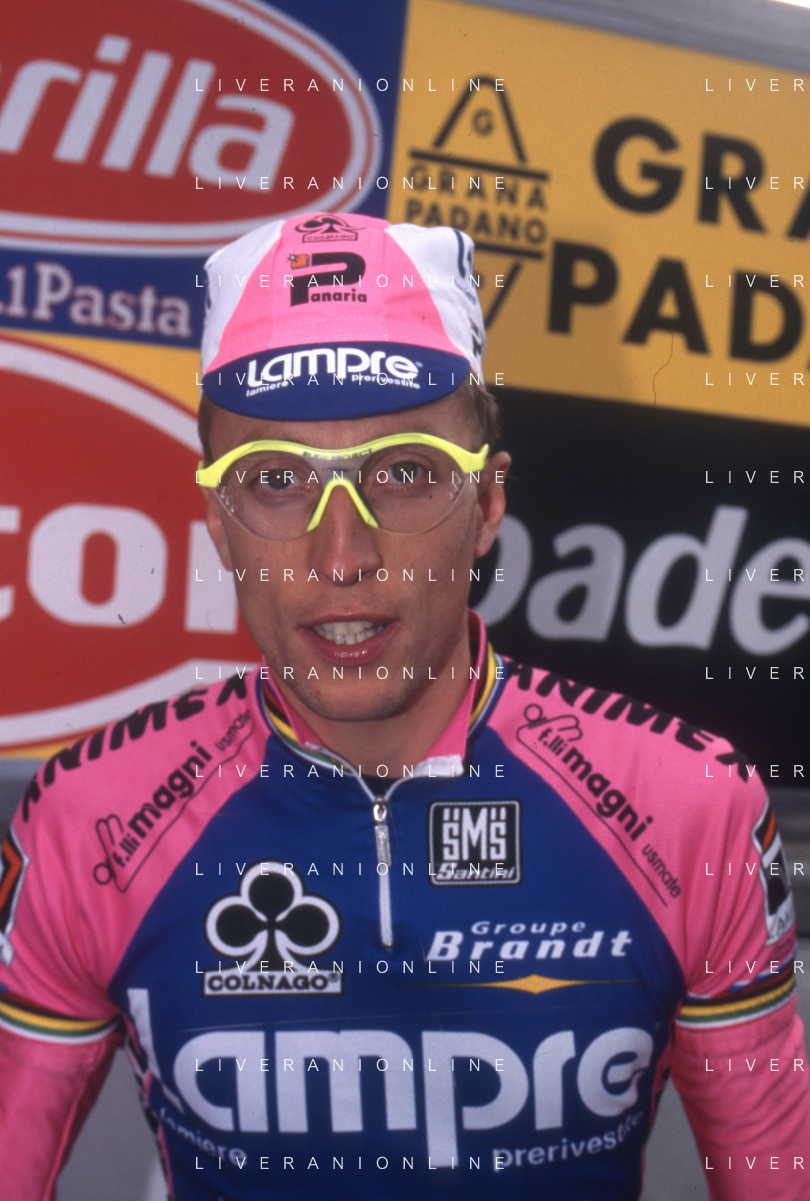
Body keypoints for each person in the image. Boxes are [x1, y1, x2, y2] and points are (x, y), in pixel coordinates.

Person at [0, 212, 806, 1201]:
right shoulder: (92, 821)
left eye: (406, 472)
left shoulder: (691, 809)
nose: (343, 556)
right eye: (276, 480)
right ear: (217, 520)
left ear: (488, 505)